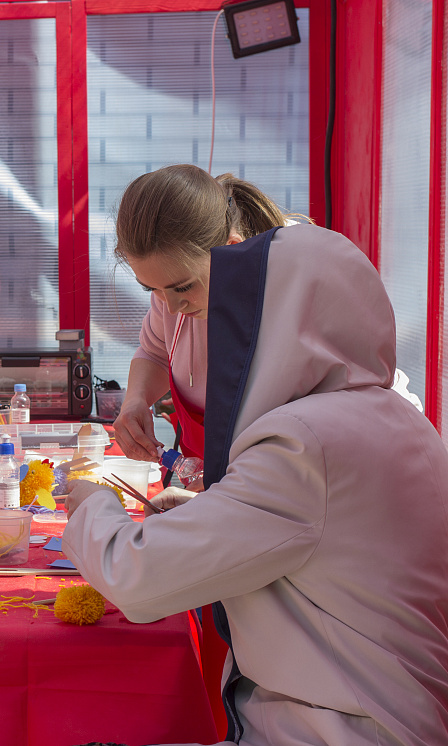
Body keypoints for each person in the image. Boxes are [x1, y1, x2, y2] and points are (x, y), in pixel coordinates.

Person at [62, 222, 448, 744]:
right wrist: (213, 508)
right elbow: (319, 537)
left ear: (272, 325)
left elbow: (136, 577)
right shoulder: (399, 421)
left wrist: (93, 505)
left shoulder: (305, 442)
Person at [109, 164, 294, 471]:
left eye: (183, 287)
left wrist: (223, 492)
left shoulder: (286, 306)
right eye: (151, 289)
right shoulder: (172, 294)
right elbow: (155, 352)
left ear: (232, 252)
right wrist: (136, 401)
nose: (170, 307)